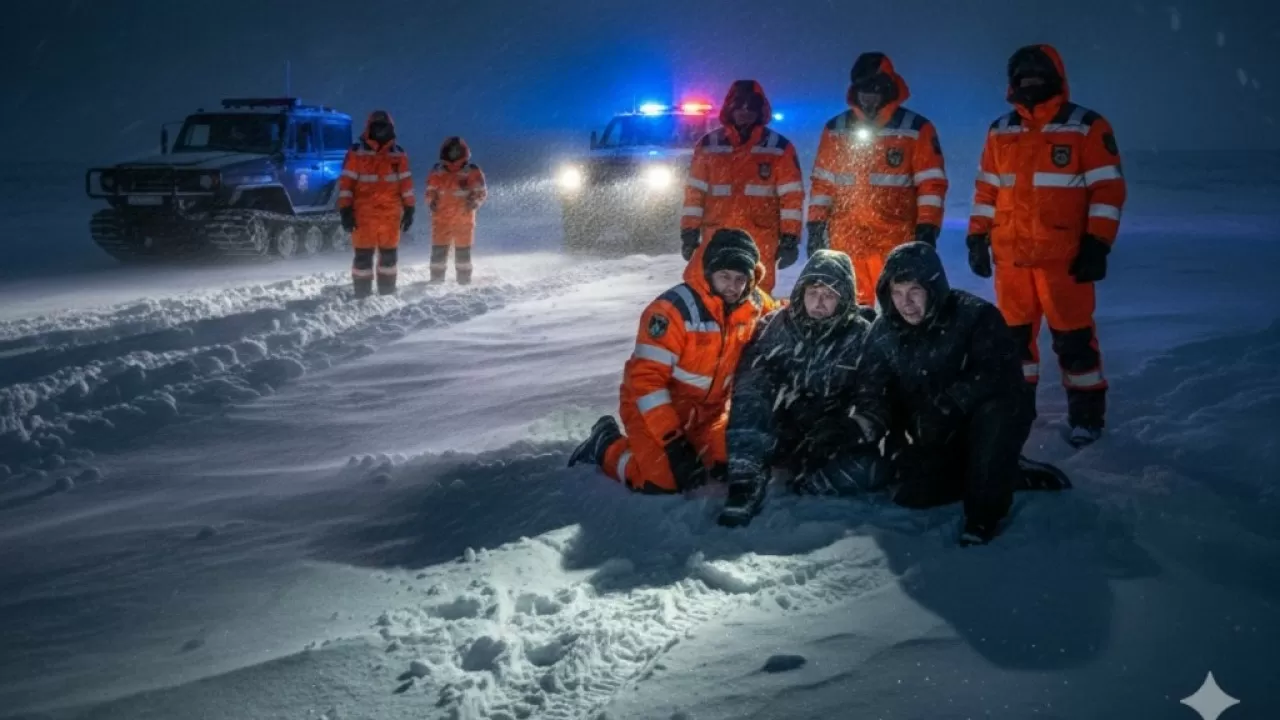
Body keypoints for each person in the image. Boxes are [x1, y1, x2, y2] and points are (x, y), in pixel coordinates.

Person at [857, 242, 1070, 546]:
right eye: (898, 293)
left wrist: (949, 404)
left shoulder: (975, 316)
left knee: (999, 413)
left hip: (981, 421)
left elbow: (1000, 375)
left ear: (933, 288)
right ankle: (1004, 472)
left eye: (915, 291)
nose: (907, 303)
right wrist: (869, 424)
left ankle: (984, 514)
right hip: (930, 430)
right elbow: (871, 387)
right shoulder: (884, 330)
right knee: (914, 494)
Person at [966, 44, 1127, 447]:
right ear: (1012, 83)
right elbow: (986, 189)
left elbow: (1108, 190)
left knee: (1074, 343)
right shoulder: (1000, 130)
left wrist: (1097, 244)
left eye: (1038, 74)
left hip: (1065, 262)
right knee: (1013, 345)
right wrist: (976, 237)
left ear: (1056, 77)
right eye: (1023, 75)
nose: (1030, 82)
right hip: (1012, 262)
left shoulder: (1086, 126)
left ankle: (1087, 417)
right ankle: (1017, 412)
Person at [569, 228, 779, 493]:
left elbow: (786, 314)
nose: (732, 287)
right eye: (724, 276)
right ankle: (604, 445)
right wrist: (672, 442)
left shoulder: (755, 305)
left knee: (737, 461)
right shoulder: (671, 311)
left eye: (740, 279)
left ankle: (698, 451)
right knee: (661, 483)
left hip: (710, 415)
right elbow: (645, 383)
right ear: (708, 271)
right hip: (652, 410)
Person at [718, 249, 885, 528]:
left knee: (876, 471)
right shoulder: (775, 326)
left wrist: (846, 430)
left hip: (827, 437)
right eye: (813, 293)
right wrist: (788, 405)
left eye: (830, 295)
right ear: (801, 292)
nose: (819, 302)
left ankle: (809, 482)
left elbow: (876, 401)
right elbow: (750, 384)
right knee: (751, 396)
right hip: (778, 428)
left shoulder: (862, 336)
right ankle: (745, 482)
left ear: (844, 298)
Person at [807, 52, 948, 307]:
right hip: (847, 240)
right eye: (863, 89)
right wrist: (816, 225)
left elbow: (931, 185)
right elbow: (822, 184)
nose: (868, 96)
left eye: (874, 89)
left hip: (896, 239)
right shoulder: (836, 129)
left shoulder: (916, 128)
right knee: (851, 312)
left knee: (897, 309)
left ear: (887, 89)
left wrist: (927, 228)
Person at [680, 80, 805, 294]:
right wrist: (689, 232)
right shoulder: (708, 145)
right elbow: (694, 194)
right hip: (716, 238)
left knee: (757, 297)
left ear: (760, 110)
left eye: (751, 107)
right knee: (706, 293)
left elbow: (792, 198)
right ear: (730, 108)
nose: (745, 112)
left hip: (761, 240)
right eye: (739, 106)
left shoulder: (779, 148)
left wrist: (790, 238)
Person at [337, 110, 415, 297]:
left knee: (389, 258)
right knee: (363, 257)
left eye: (384, 127)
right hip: (363, 215)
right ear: (369, 128)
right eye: (377, 127)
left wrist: (410, 207)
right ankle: (362, 296)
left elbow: (406, 184)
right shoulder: (356, 153)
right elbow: (346, 184)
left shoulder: (399, 155)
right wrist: (345, 209)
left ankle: (387, 295)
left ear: (390, 129)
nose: (380, 131)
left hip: (390, 215)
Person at [426, 136, 487, 285]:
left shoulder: (472, 171)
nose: (453, 154)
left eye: (456, 151)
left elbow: (481, 192)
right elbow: (429, 191)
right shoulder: (437, 171)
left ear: (463, 152)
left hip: (464, 220)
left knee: (463, 255)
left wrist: (474, 202)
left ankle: (464, 283)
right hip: (441, 220)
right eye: (451, 151)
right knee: (438, 254)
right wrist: (431, 202)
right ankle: (436, 282)